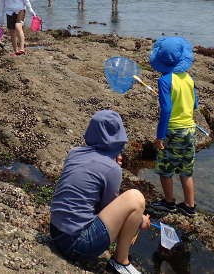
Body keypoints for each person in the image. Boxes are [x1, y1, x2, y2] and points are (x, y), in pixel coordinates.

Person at [50, 110, 150, 274]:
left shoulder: (74, 152)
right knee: (135, 198)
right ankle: (120, 262)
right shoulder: (112, 169)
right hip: (78, 245)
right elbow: (107, 208)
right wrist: (139, 222)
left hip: (56, 233)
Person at [149, 36, 198, 217]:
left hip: (172, 131)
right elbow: (195, 105)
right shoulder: (189, 78)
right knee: (186, 170)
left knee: (165, 169)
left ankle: (169, 203)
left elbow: (167, 110)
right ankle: (189, 206)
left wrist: (160, 136)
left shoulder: (164, 81)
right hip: (190, 129)